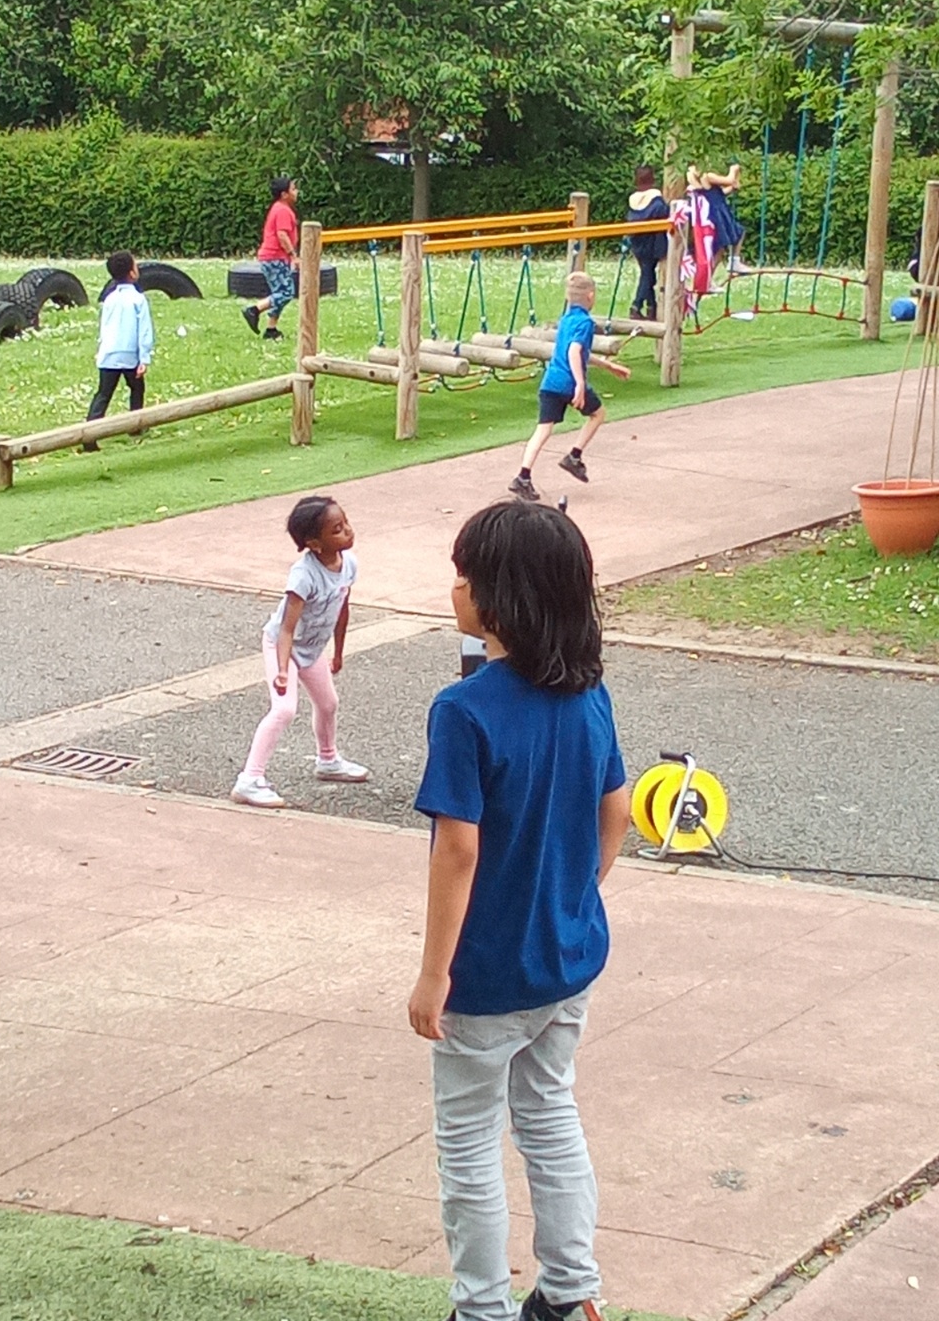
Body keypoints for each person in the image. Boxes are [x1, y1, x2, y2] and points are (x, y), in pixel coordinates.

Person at [408, 499, 631, 1321]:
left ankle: (481, 1307)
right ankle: (571, 1292)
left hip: (487, 976)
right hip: (568, 962)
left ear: (498, 601)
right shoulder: (590, 694)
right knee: (548, 1114)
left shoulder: (462, 710)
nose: (455, 590)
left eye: (464, 577)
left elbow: (456, 851)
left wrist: (434, 974)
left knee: (469, 1139)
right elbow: (617, 810)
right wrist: (572, 895)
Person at [232, 494, 368, 809]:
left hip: (311, 648)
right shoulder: (303, 575)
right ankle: (249, 780)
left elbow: (342, 609)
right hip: (284, 647)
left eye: (346, 523)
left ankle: (328, 760)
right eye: (337, 529)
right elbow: (286, 629)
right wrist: (282, 670)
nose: (347, 531)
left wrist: (338, 652)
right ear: (315, 544)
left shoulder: (348, 564)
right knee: (283, 709)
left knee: (328, 703)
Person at [510, 272, 630, 499]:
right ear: (591, 296)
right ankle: (574, 456)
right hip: (568, 382)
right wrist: (580, 384)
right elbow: (574, 351)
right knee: (598, 414)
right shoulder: (585, 323)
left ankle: (523, 477)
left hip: (550, 382)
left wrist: (608, 366)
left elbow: (577, 352)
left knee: (543, 430)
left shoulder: (566, 320)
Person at [83, 251, 154, 454]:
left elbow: (104, 327)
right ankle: (135, 425)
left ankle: (89, 436)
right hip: (130, 354)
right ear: (132, 273)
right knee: (137, 389)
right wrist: (144, 358)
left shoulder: (110, 299)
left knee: (103, 394)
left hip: (109, 353)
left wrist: (101, 350)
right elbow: (144, 331)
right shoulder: (138, 299)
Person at [241, 176, 298, 341]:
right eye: (293, 189)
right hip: (275, 257)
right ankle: (254, 310)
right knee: (286, 293)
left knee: (278, 293)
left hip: (273, 257)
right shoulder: (282, 210)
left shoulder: (279, 208)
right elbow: (282, 235)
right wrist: (293, 255)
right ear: (284, 194)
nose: (296, 192)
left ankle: (271, 329)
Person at [687, 163, 748, 282]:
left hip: (715, 210)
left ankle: (730, 263)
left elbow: (718, 193)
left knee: (735, 235)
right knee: (721, 246)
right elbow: (729, 180)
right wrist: (734, 170)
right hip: (717, 212)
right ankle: (730, 264)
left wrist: (732, 188)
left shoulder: (698, 179)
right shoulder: (707, 176)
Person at [624, 165, 668, 321]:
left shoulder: (633, 201)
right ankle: (636, 305)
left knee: (646, 272)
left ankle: (651, 306)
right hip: (651, 242)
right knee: (648, 274)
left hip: (637, 241)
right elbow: (664, 213)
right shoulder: (656, 201)